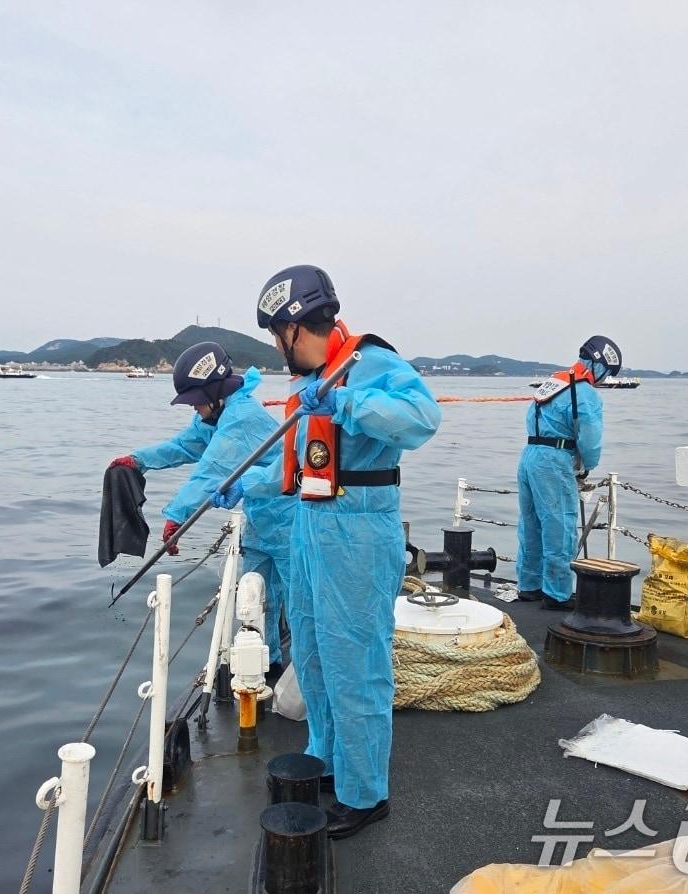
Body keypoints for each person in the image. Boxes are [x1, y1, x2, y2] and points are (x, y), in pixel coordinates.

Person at [213, 264, 441, 840]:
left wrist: (345, 404)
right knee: (311, 648)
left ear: (294, 327)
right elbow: (295, 467)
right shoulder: (308, 383)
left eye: (275, 334)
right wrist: (249, 484)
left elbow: (421, 419)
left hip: (360, 530)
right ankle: (327, 760)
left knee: (357, 662)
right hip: (311, 526)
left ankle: (366, 793)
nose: (275, 345)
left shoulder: (368, 365)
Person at [109, 342, 293, 668]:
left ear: (214, 392)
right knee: (257, 597)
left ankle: (305, 681)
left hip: (291, 518)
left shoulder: (241, 418)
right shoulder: (215, 416)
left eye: (195, 401)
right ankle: (270, 665)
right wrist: (138, 461)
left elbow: (211, 471)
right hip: (261, 518)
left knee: (298, 600)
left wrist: (176, 519)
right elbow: (181, 446)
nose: (194, 409)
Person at [516, 336, 620, 609]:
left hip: (529, 456)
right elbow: (590, 439)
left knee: (530, 524)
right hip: (555, 459)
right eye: (606, 373)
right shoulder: (585, 393)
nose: (604, 379)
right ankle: (557, 594)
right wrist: (587, 465)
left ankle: (529, 586)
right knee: (559, 525)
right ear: (599, 365)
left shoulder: (554, 382)